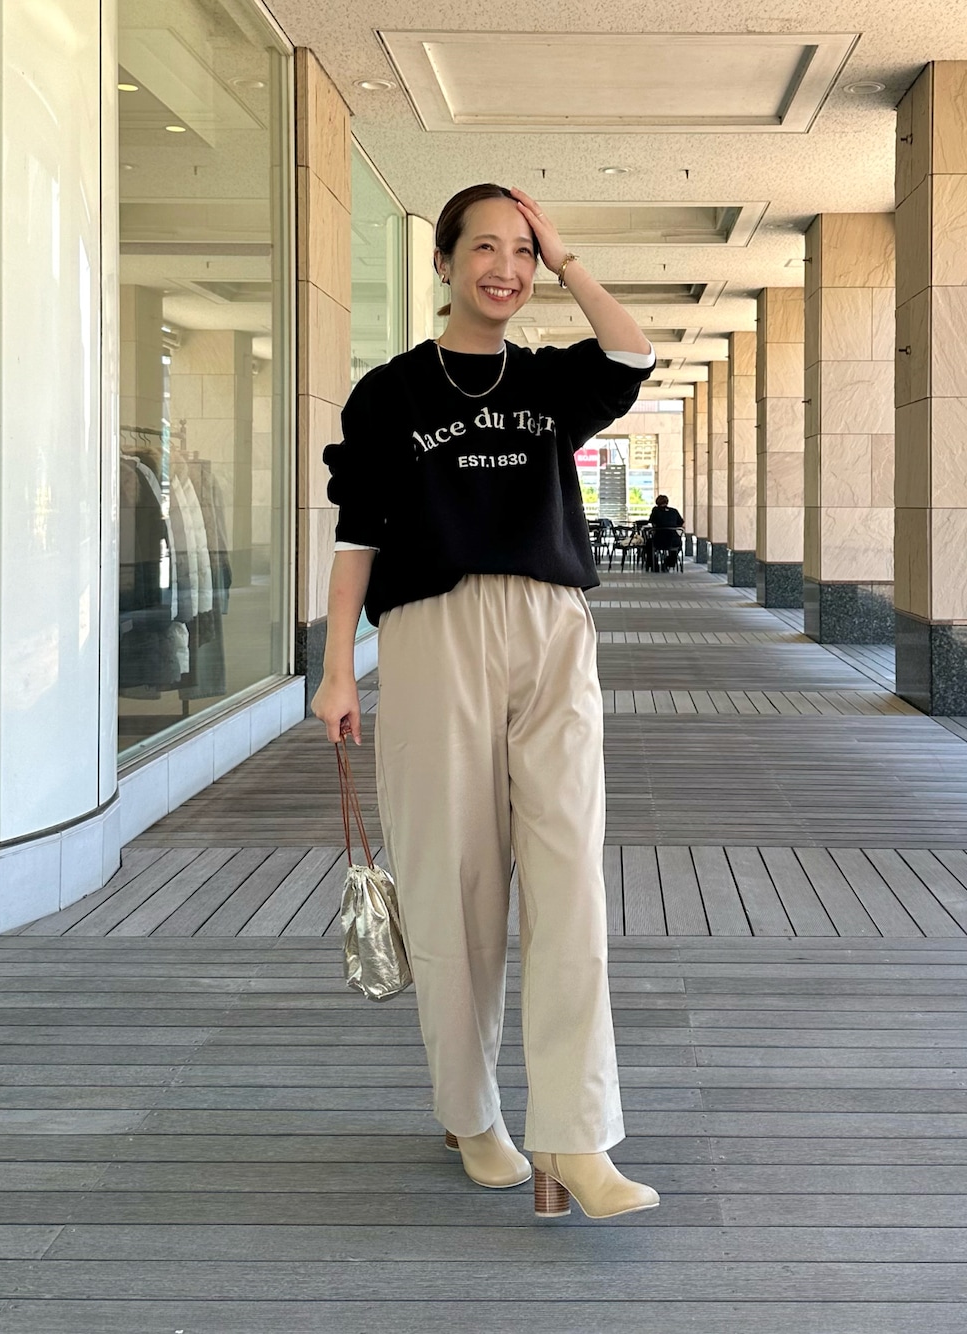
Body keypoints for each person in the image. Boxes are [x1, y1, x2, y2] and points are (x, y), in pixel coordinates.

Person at [312, 183, 661, 1222]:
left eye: (521, 252)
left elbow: (633, 352)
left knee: (569, 878)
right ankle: (471, 1115)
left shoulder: (550, 379)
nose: (505, 268)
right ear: (443, 262)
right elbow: (357, 537)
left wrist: (567, 254)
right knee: (453, 885)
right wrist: (338, 667)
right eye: (484, 248)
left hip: (551, 628)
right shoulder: (389, 393)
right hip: (434, 632)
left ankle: (575, 1135)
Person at [644, 494, 684, 571]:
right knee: (678, 546)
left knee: (648, 544)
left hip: (659, 540)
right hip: (673, 540)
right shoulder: (674, 511)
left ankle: (653, 564)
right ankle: (669, 563)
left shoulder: (655, 510)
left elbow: (651, 521)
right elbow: (680, 522)